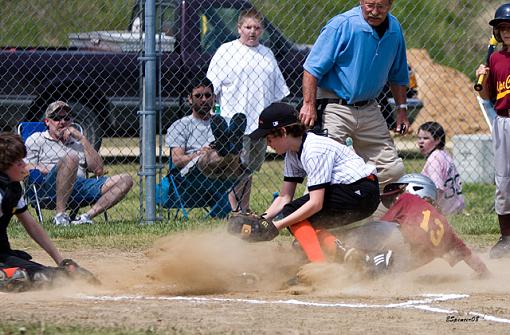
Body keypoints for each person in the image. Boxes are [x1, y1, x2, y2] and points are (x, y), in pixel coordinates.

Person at [239, 102, 382, 265]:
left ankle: (319, 266)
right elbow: (285, 197)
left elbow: (315, 203)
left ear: (283, 131)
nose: (268, 144)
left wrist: (276, 226)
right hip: (351, 192)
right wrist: (262, 220)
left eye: (270, 138)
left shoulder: (313, 149)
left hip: (361, 191)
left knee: (294, 213)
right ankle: (347, 255)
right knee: (300, 218)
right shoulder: (292, 154)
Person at [299, 0, 409, 192]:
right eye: (370, 5)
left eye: (381, 6)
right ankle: (317, 216)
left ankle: (370, 215)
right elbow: (311, 68)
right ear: (361, 2)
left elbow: (398, 75)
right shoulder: (343, 25)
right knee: (325, 168)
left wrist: (402, 110)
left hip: (370, 108)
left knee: (392, 170)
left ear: (390, 5)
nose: (375, 11)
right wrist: (308, 104)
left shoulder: (395, 30)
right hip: (335, 107)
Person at [207, 8, 289, 213]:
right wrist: (215, 114)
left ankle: (243, 210)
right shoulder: (226, 51)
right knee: (237, 167)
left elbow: (277, 91)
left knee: (249, 169)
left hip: (259, 124)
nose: (252, 32)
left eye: (257, 28)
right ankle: (236, 211)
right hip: (233, 122)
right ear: (239, 28)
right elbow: (211, 89)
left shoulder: (266, 54)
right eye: (248, 27)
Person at [0, 132, 96, 290]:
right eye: (18, 163)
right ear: (4, 167)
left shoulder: (12, 188)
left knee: (52, 275)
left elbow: (32, 227)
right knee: (30, 277)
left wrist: (61, 262)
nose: (24, 165)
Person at [25, 101, 133, 226]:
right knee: (71, 158)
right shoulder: (36, 139)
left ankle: (85, 217)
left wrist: (82, 139)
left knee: (126, 179)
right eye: (56, 118)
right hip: (49, 188)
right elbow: (23, 167)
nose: (62, 122)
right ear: (47, 122)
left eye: (66, 118)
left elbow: (98, 170)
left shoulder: (78, 143)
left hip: (79, 187)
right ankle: (60, 216)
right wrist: (47, 169)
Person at [364, 173, 490, 278]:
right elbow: (466, 254)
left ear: (413, 189)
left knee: (371, 229)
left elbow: (382, 225)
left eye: (397, 195)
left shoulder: (408, 198)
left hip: (401, 244)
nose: (395, 200)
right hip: (410, 260)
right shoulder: (445, 226)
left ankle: (367, 257)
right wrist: (483, 272)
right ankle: (381, 267)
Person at [159, 77, 247, 217]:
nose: (204, 99)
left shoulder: (223, 122)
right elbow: (177, 160)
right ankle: (227, 148)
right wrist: (198, 154)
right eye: (198, 96)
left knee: (241, 162)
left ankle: (228, 147)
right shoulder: (180, 125)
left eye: (207, 95)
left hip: (224, 172)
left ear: (214, 98)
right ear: (190, 99)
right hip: (194, 174)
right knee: (212, 155)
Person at [475, 3, 510, 258]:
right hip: (503, 122)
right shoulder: (495, 58)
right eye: (502, 28)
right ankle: (506, 237)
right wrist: (483, 79)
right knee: (503, 181)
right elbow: (488, 97)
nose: (507, 32)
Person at [417, 121, 465, 215]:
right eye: (419, 138)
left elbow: (437, 189)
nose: (420, 142)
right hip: (455, 207)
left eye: (426, 138)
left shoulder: (434, 160)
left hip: (443, 211)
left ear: (437, 140)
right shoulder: (444, 154)